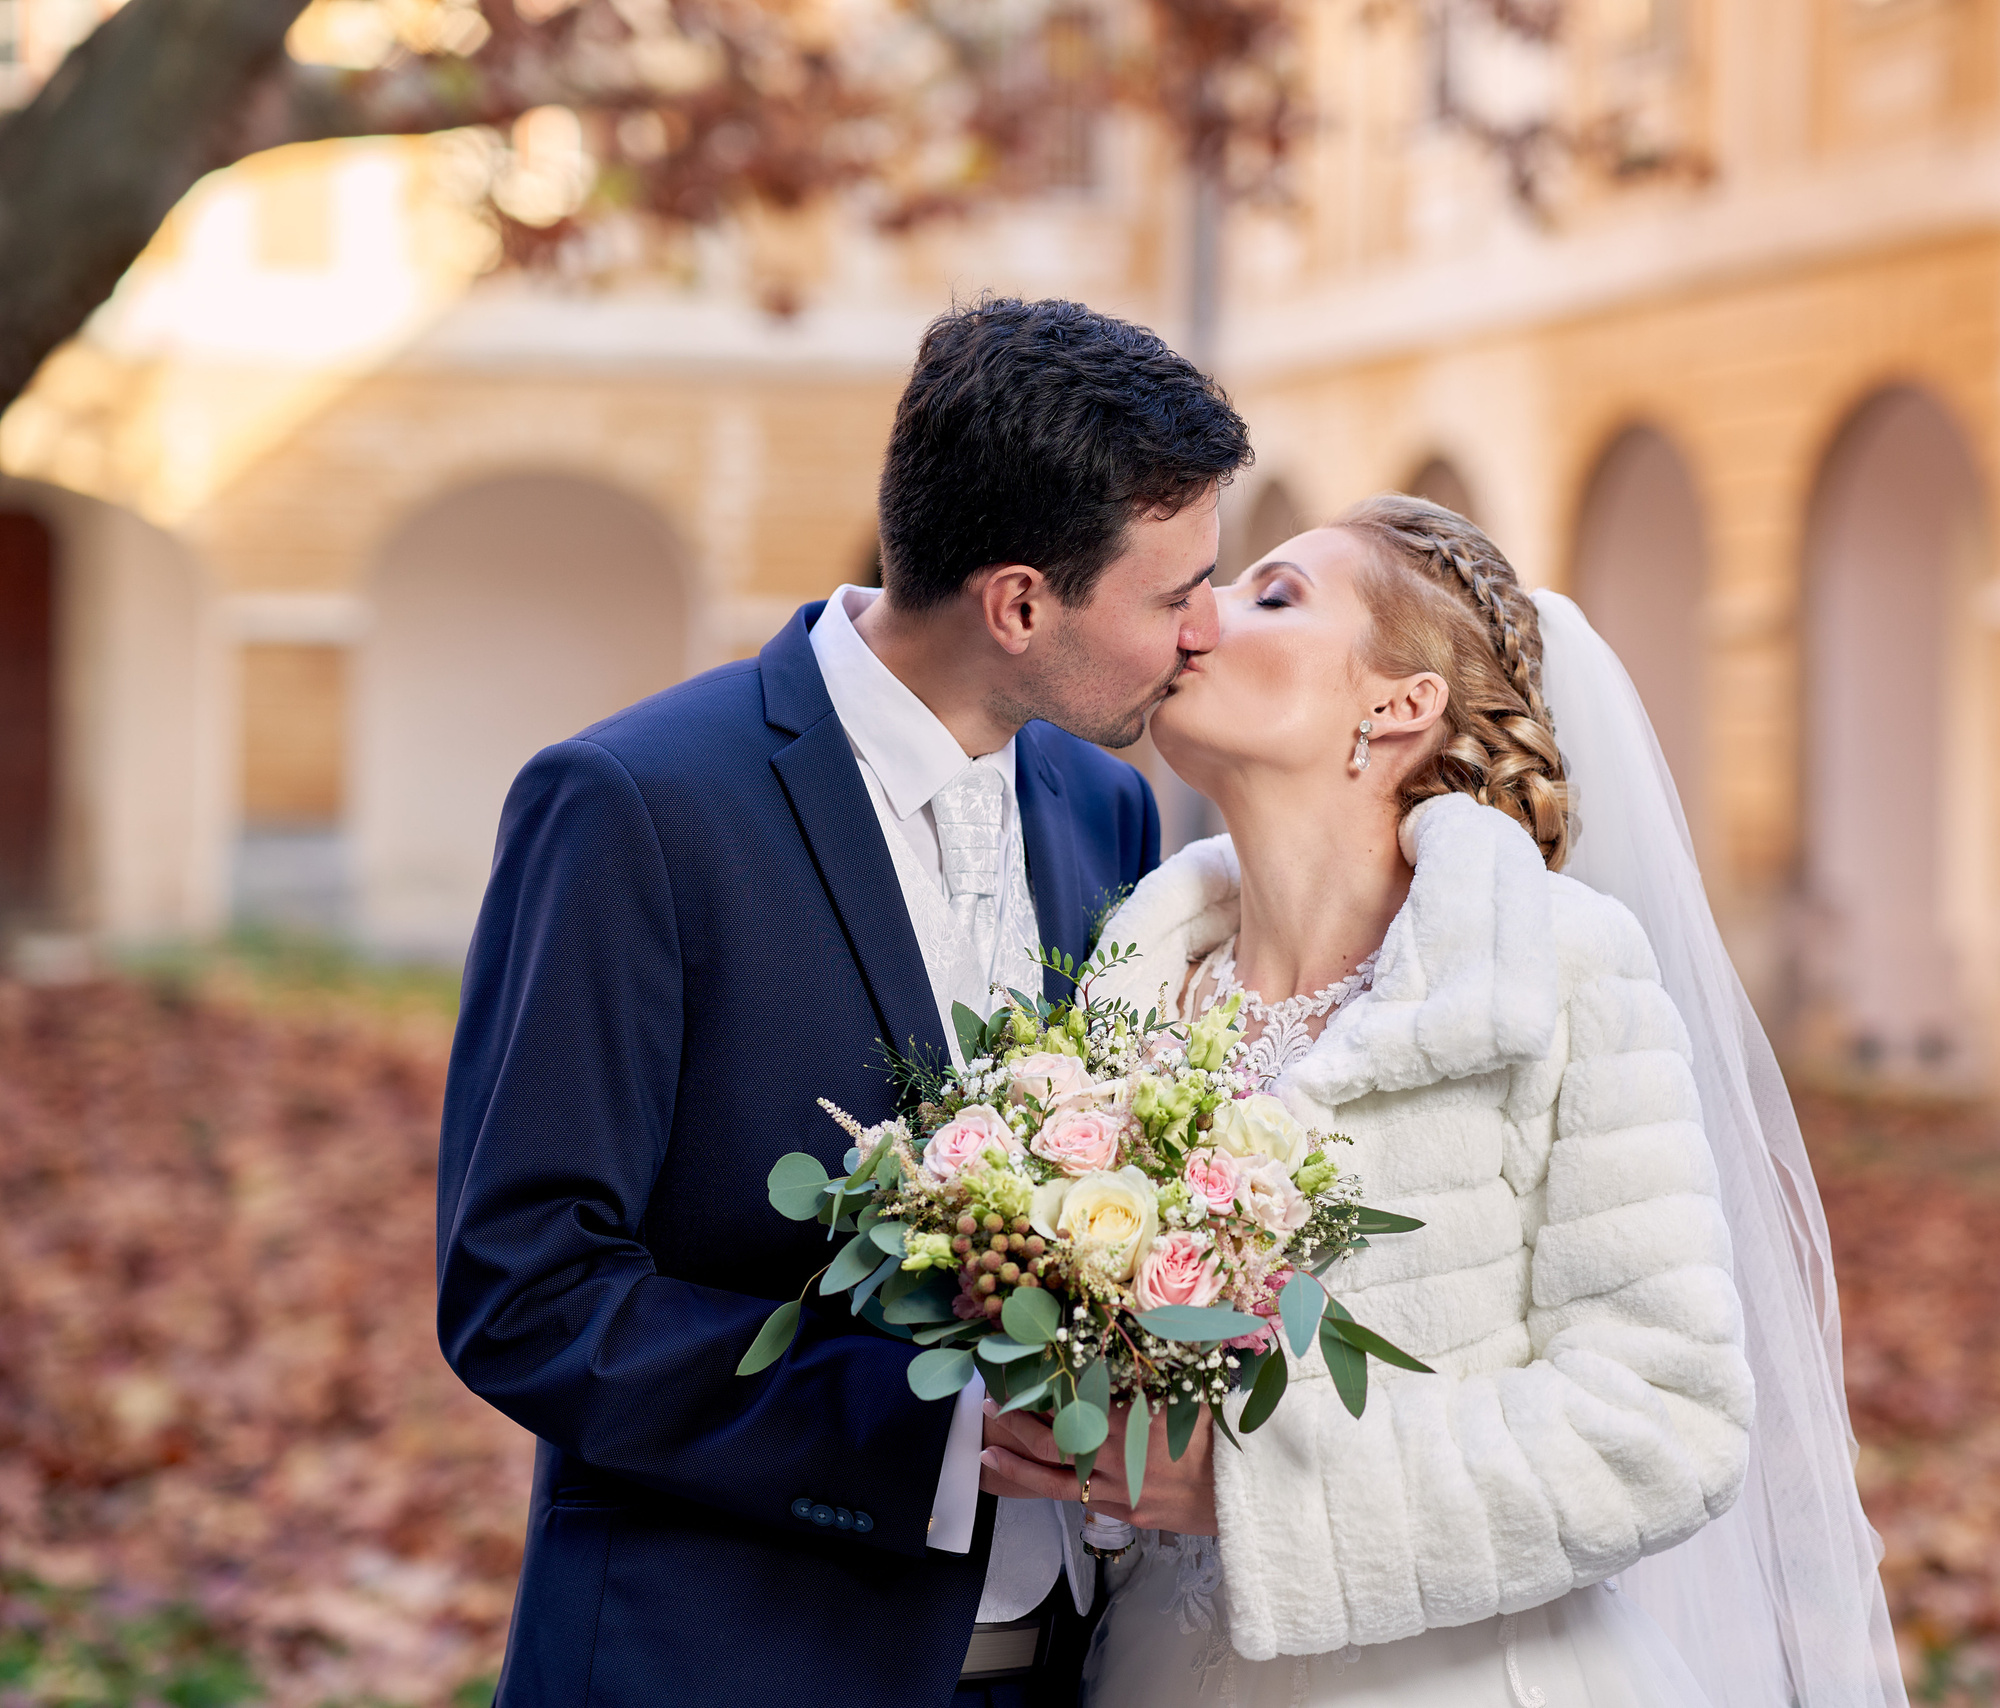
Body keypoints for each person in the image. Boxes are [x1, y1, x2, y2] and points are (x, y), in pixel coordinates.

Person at [434, 297, 1249, 1708]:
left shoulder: (1109, 812)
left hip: (1051, 1662)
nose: (1208, 631)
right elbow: (525, 1289)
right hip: (723, 1658)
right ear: (1018, 602)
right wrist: (927, 1432)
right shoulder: (634, 806)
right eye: (1175, 594)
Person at [978, 495, 1908, 1705]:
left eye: (1273, 595)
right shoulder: (1131, 996)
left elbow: (1665, 1421)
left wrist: (1252, 1493)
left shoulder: (1556, 970)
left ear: (1399, 703)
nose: (1198, 616)